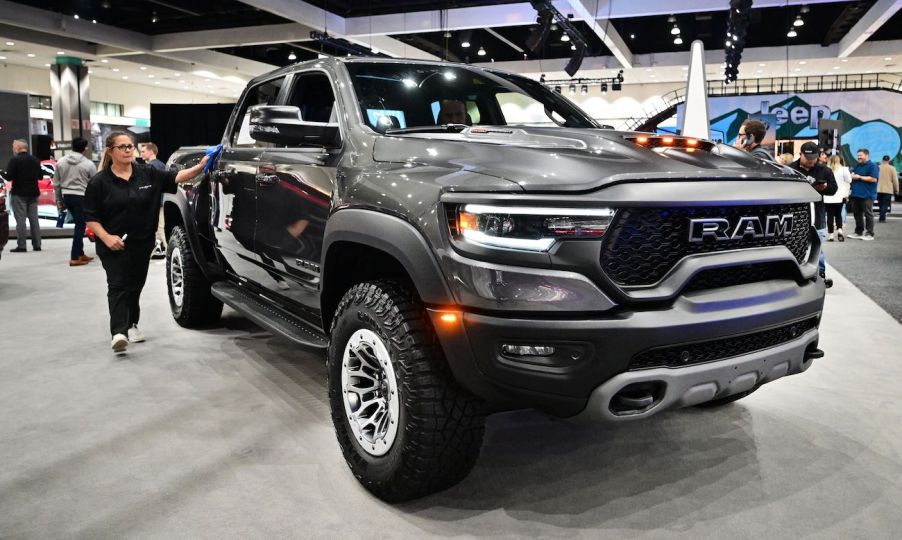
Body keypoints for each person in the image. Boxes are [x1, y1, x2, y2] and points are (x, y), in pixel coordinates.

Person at [85, 131, 209, 353]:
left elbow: (176, 177)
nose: (127, 150)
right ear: (110, 151)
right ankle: (119, 332)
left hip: (142, 243)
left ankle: (132, 323)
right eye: (122, 147)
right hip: (112, 244)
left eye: (130, 146)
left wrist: (200, 167)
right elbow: (91, 217)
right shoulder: (99, 182)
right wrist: (106, 237)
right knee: (118, 284)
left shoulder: (148, 173)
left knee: (135, 285)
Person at [789, 142, 837, 288]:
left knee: (818, 250)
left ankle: (820, 275)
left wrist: (825, 187)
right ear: (800, 154)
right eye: (808, 157)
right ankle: (793, 276)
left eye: (814, 158)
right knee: (793, 248)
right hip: (795, 218)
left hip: (818, 216)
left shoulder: (825, 170)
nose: (811, 160)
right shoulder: (790, 169)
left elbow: (834, 189)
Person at [54, 137, 97, 266]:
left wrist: (59, 200)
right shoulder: (88, 164)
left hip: (67, 196)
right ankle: (74, 257)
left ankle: (80, 253)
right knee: (80, 226)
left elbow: (56, 184)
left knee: (79, 224)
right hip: (81, 197)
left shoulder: (61, 162)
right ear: (85, 148)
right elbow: (94, 183)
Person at [4, 139, 42, 253]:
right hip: (33, 193)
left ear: (18, 148)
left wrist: (1, 173)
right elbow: (40, 176)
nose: (12, 148)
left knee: (21, 220)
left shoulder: (14, 160)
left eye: (13, 146)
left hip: (19, 193)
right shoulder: (35, 160)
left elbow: (9, 177)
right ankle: (37, 245)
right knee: (34, 219)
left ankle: (22, 246)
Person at [846, 148, 880, 240]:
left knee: (868, 214)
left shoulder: (873, 166)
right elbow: (854, 176)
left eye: (860, 155)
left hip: (867, 195)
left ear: (867, 155)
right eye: (858, 156)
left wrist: (859, 177)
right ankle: (858, 232)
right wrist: (852, 176)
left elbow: (874, 179)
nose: (859, 157)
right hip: (856, 194)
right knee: (857, 214)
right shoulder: (858, 166)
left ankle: (870, 234)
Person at [825, 154, 851, 242]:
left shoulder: (826, 169)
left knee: (829, 216)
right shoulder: (844, 169)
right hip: (840, 196)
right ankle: (840, 230)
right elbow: (849, 180)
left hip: (828, 196)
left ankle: (831, 235)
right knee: (838, 214)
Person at [877, 155, 899, 222]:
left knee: (880, 203)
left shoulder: (878, 167)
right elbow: (895, 180)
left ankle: (882, 215)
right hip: (888, 190)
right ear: (889, 160)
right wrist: (896, 190)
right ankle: (882, 218)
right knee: (885, 204)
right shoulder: (892, 168)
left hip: (878, 189)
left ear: (882, 160)